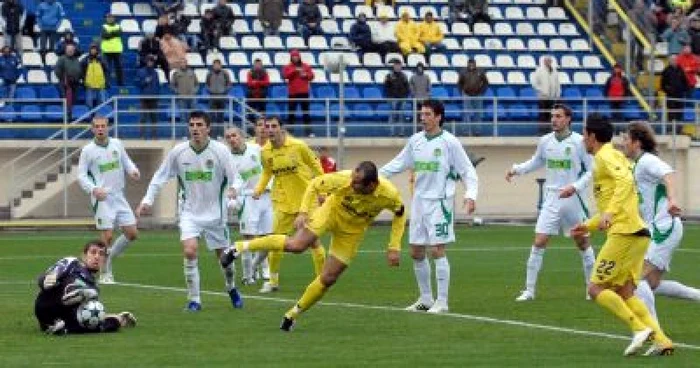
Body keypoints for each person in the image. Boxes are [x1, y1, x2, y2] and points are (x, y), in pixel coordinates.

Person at [220, 161, 406, 331]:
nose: (352, 184)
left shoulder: (389, 194)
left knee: (329, 278)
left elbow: (400, 213)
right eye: (352, 179)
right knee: (298, 245)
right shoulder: (343, 179)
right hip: (331, 213)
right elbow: (315, 184)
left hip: (352, 232)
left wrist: (394, 246)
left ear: (372, 185)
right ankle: (238, 247)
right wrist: (303, 212)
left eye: (357, 183)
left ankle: (292, 315)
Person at [571, 114, 673, 356]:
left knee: (595, 289)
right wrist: (588, 225)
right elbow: (616, 202)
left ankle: (639, 329)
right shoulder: (612, 156)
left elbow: (625, 183)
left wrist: (608, 213)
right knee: (625, 292)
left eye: (584, 134)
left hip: (625, 233)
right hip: (637, 231)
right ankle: (662, 340)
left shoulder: (606, 156)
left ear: (592, 137)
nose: (583, 138)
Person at [136, 111, 243, 311]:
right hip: (189, 213)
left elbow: (236, 177)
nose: (195, 128)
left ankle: (231, 287)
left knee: (225, 260)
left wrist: (234, 189)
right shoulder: (179, 151)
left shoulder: (220, 151)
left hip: (216, 215)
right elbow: (160, 177)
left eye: (199, 124)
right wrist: (147, 199)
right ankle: (194, 300)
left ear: (208, 128)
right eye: (192, 124)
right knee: (190, 250)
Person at [380, 99, 479, 314]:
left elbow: (467, 171)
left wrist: (471, 195)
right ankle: (425, 299)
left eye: (427, 114)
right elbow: (398, 163)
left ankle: (442, 302)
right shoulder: (415, 140)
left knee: (437, 249)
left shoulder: (450, 142)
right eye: (421, 114)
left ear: (438, 117)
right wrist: (374, 175)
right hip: (419, 202)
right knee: (416, 252)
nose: (422, 118)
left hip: (440, 202)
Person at [505, 104, 596, 302]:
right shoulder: (545, 141)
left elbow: (591, 170)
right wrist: (517, 169)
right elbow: (536, 162)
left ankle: (591, 288)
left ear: (568, 119)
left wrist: (576, 187)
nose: (554, 120)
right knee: (539, 241)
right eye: (552, 116)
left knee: (582, 242)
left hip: (574, 198)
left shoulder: (580, 142)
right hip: (552, 197)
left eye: (558, 116)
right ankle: (529, 291)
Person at [233, 116, 326, 293]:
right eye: (267, 126)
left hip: (306, 202)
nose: (270, 129)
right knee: (277, 242)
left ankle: (321, 280)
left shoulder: (298, 146)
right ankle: (273, 281)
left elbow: (316, 166)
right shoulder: (265, 151)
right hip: (282, 203)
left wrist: (322, 191)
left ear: (282, 129)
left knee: (313, 241)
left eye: (274, 126)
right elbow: (267, 172)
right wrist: (259, 189)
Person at [622, 122, 700, 323]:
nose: (622, 143)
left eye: (625, 139)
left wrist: (673, 199)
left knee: (635, 279)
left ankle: (655, 336)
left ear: (636, 142)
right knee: (653, 283)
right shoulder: (637, 165)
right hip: (659, 228)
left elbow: (668, 174)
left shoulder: (648, 161)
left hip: (663, 228)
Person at [77, 117, 139, 284]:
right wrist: (94, 189)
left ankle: (108, 258)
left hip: (119, 196)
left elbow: (126, 161)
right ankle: (105, 272)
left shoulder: (117, 144)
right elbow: (81, 176)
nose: (100, 129)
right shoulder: (87, 150)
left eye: (103, 126)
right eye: (97, 126)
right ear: (92, 129)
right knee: (108, 236)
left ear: (108, 127)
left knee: (132, 233)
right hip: (102, 198)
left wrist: (133, 170)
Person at [35, 240, 137, 335]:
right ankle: (71, 295)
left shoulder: (94, 287)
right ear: (84, 255)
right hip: (47, 304)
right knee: (86, 292)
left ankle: (118, 319)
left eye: (101, 254)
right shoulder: (72, 263)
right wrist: (45, 280)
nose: (97, 257)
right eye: (93, 252)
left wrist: (112, 319)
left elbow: (85, 314)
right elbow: (51, 274)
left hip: (63, 318)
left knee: (95, 318)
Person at [225, 127, 272, 285]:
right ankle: (247, 276)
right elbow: (232, 182)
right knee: (249, 238)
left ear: (242, 137)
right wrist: (233, 199)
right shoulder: (228, 159)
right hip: (247, 199)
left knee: (267, 239)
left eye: (234, 135)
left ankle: (260, 269)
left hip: (267, 196)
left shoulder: (256, 149)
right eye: (228, 137)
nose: (232, 139)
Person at [283, 50, 314, 137]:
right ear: (291, 57)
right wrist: (295, 71)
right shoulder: (288, 67)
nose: (295, 58)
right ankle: (289, 133)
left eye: (296, 56)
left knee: (306, 113)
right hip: (292, 93)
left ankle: (309, 132)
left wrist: (305, 75)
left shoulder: (306, 66)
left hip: (304, 92)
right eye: (293, 56)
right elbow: (285, 76)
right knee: (291, 113)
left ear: (299, 57)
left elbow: (312, 76)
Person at [457, 58, 489, 135]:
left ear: (475, 64)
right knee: (466, 114)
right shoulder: (463, 72)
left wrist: (482, 91)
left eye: (472, 63)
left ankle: (477, 131)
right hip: (467, 95)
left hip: (478, 95)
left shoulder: (480, 71)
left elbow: (486, 82)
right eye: (470, 63)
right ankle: (466, 132)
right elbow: (459, 83)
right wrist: (462, 92)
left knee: (478, 114)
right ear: (467, 64)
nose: (471, 65)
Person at [531, 56, 561, 133]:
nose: (548, 62)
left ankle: (550, 131)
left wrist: (558, 94)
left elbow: (557, 83)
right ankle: (542, 131)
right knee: (542, 115)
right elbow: (534, 83)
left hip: (552, 97)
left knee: (551, 115)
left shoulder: (554, 70)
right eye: (547, 61)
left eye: (549, 61)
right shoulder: (539, 70)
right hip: (542, 97)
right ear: (544, 62)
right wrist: (542, 91)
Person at [135, 56, 160, 139]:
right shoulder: (141, 72)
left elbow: (157, 85)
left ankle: (154, 135)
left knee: (154, 118)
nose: (150, 63)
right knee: (143, 118)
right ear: (146, 62)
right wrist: (145, 81)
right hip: (144, 98)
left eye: (152, 61)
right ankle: (142, 135)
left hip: (154, 98)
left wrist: (156, 95)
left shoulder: (155, 73)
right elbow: (137, 83)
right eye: (149, 61)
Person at [54, 44, 81, 121]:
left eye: (72, 50)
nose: (70, 51)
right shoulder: (62, 59)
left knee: (73, 100)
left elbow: (79, 70)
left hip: (75, 83)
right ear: (66, 50)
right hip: (65, 83)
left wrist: (78, 77)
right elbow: (57, 71)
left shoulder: (76, 59)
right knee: (66, 100)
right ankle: (66, 116)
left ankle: (71, 115)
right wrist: (63, 79)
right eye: (69, 50)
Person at [205, 59, 232, 137]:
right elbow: (206, 84)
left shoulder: (225, 73)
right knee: (212, 117)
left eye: (218, 64)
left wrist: (224, 91)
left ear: (220, 65)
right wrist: (210, 90)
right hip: (212, 97)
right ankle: (212, 135)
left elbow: (229, 84)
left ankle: (220, 134)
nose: (216, 66)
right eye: (215, 65)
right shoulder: (209, 74)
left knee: (220, 117)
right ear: (213, 66)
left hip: (222, 97)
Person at [384, 59, 410, 136]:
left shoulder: (404, 76)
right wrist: (389, 97)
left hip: (402, 98)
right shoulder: (389, 76)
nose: (398, 67)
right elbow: (386, 87)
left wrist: (405, 96)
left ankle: (401, 132)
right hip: (392, 98)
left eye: (399, 65)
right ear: (394, 66)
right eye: (396, 65)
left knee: (401, 115)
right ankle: (392, 132)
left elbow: (407, 87)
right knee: (392, 115)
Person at [661, 55, 690, 122]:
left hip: (680, 95)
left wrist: (685, 90)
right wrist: (668, 90)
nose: (674, 61)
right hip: (670, 96)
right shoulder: (666, 70)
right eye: (672, 60)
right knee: (671, 113)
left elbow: (685, 81)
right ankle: (671, 128)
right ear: (669, 61)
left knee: (680, 112)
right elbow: (663, 84)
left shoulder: (680, 69)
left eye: (675, 59)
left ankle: (679, 129)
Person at [81, 44, 109, 109]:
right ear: (90, 50)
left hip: (100, 83)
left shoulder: (101, 59)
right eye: (92, 49)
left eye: (95, 49)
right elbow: (81, 70)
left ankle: (100, 114)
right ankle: (89, 115)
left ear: (97, 50)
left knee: (101, 102)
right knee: (89, 102)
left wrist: (106, 81)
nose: (93, 51)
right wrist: (83, 79)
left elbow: (106, 70)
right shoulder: (86, 59)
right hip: (89, 83)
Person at [100, 13, 124, 86]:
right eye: (108, 17)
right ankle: (106, 83)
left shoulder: (118, 26)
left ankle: (120, 84)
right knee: (107, 68)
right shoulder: (103, 26)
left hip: (117, 50)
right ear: (106, 19)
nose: (109, 19)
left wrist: (110, 33)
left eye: (111, 17)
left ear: (114, 18)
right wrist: (114, 33)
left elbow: (120, 33)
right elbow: (105, 36)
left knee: (119, 68)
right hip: (107, 50)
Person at [246, 58, 270, 124]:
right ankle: (250, 126)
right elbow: (249, 83)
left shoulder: (265, 73)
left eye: (259, 64)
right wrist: (260, 83)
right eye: (256, 64)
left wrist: (256, 82)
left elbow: (267, 83)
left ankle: (263, 125)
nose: (257, 66)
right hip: (251, 94)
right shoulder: (249, 73)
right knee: (250, 112)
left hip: (262, 94)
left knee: (262, 112)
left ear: (261, 65)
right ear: (254, 65)